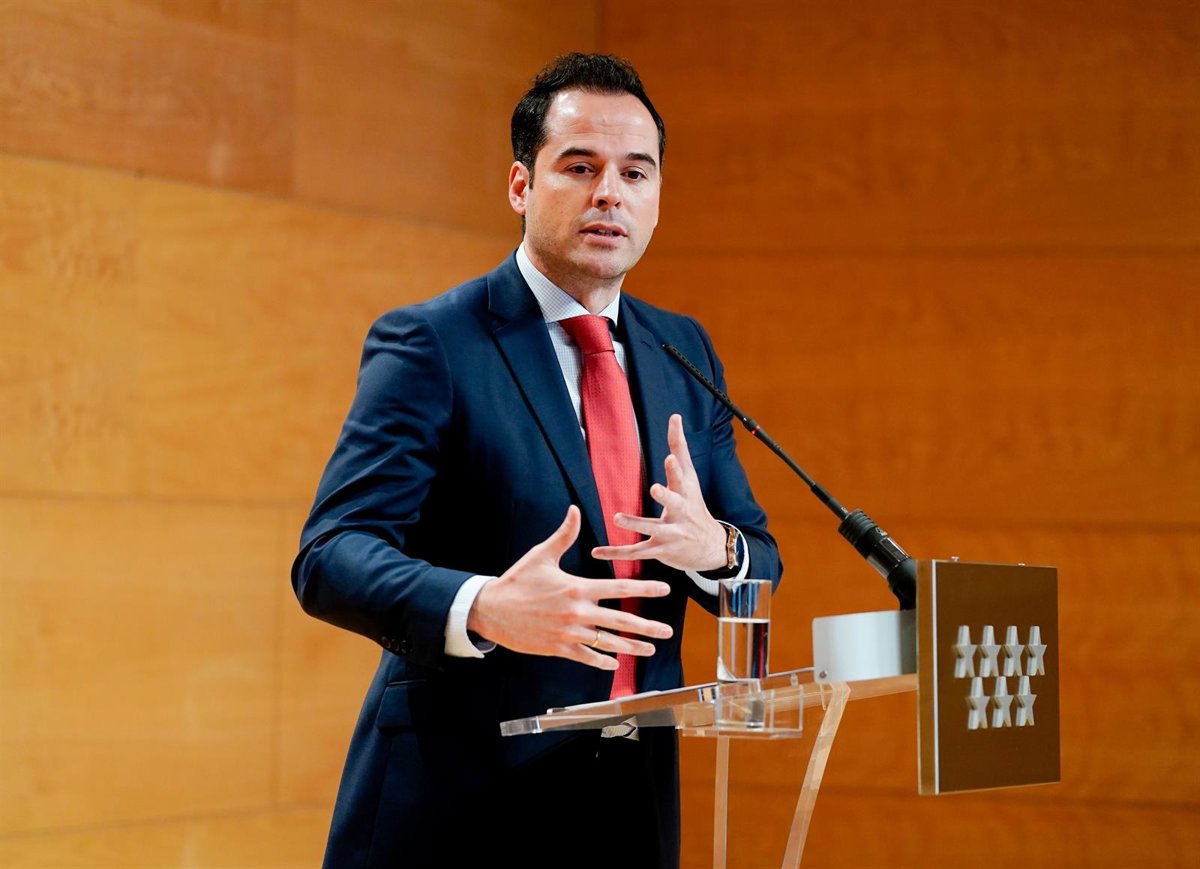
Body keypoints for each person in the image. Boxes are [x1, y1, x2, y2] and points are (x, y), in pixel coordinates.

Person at [293, 52, 782, 868]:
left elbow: (758, 555)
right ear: (521, 186)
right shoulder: (433, 343)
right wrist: (484, 605)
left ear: (658, 198)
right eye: (580, 167)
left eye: (635, 172)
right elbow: (331, 554)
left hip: (629, 800)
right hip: (459, 800)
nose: (609, 193)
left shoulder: (682, 350)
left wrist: (717, 550)